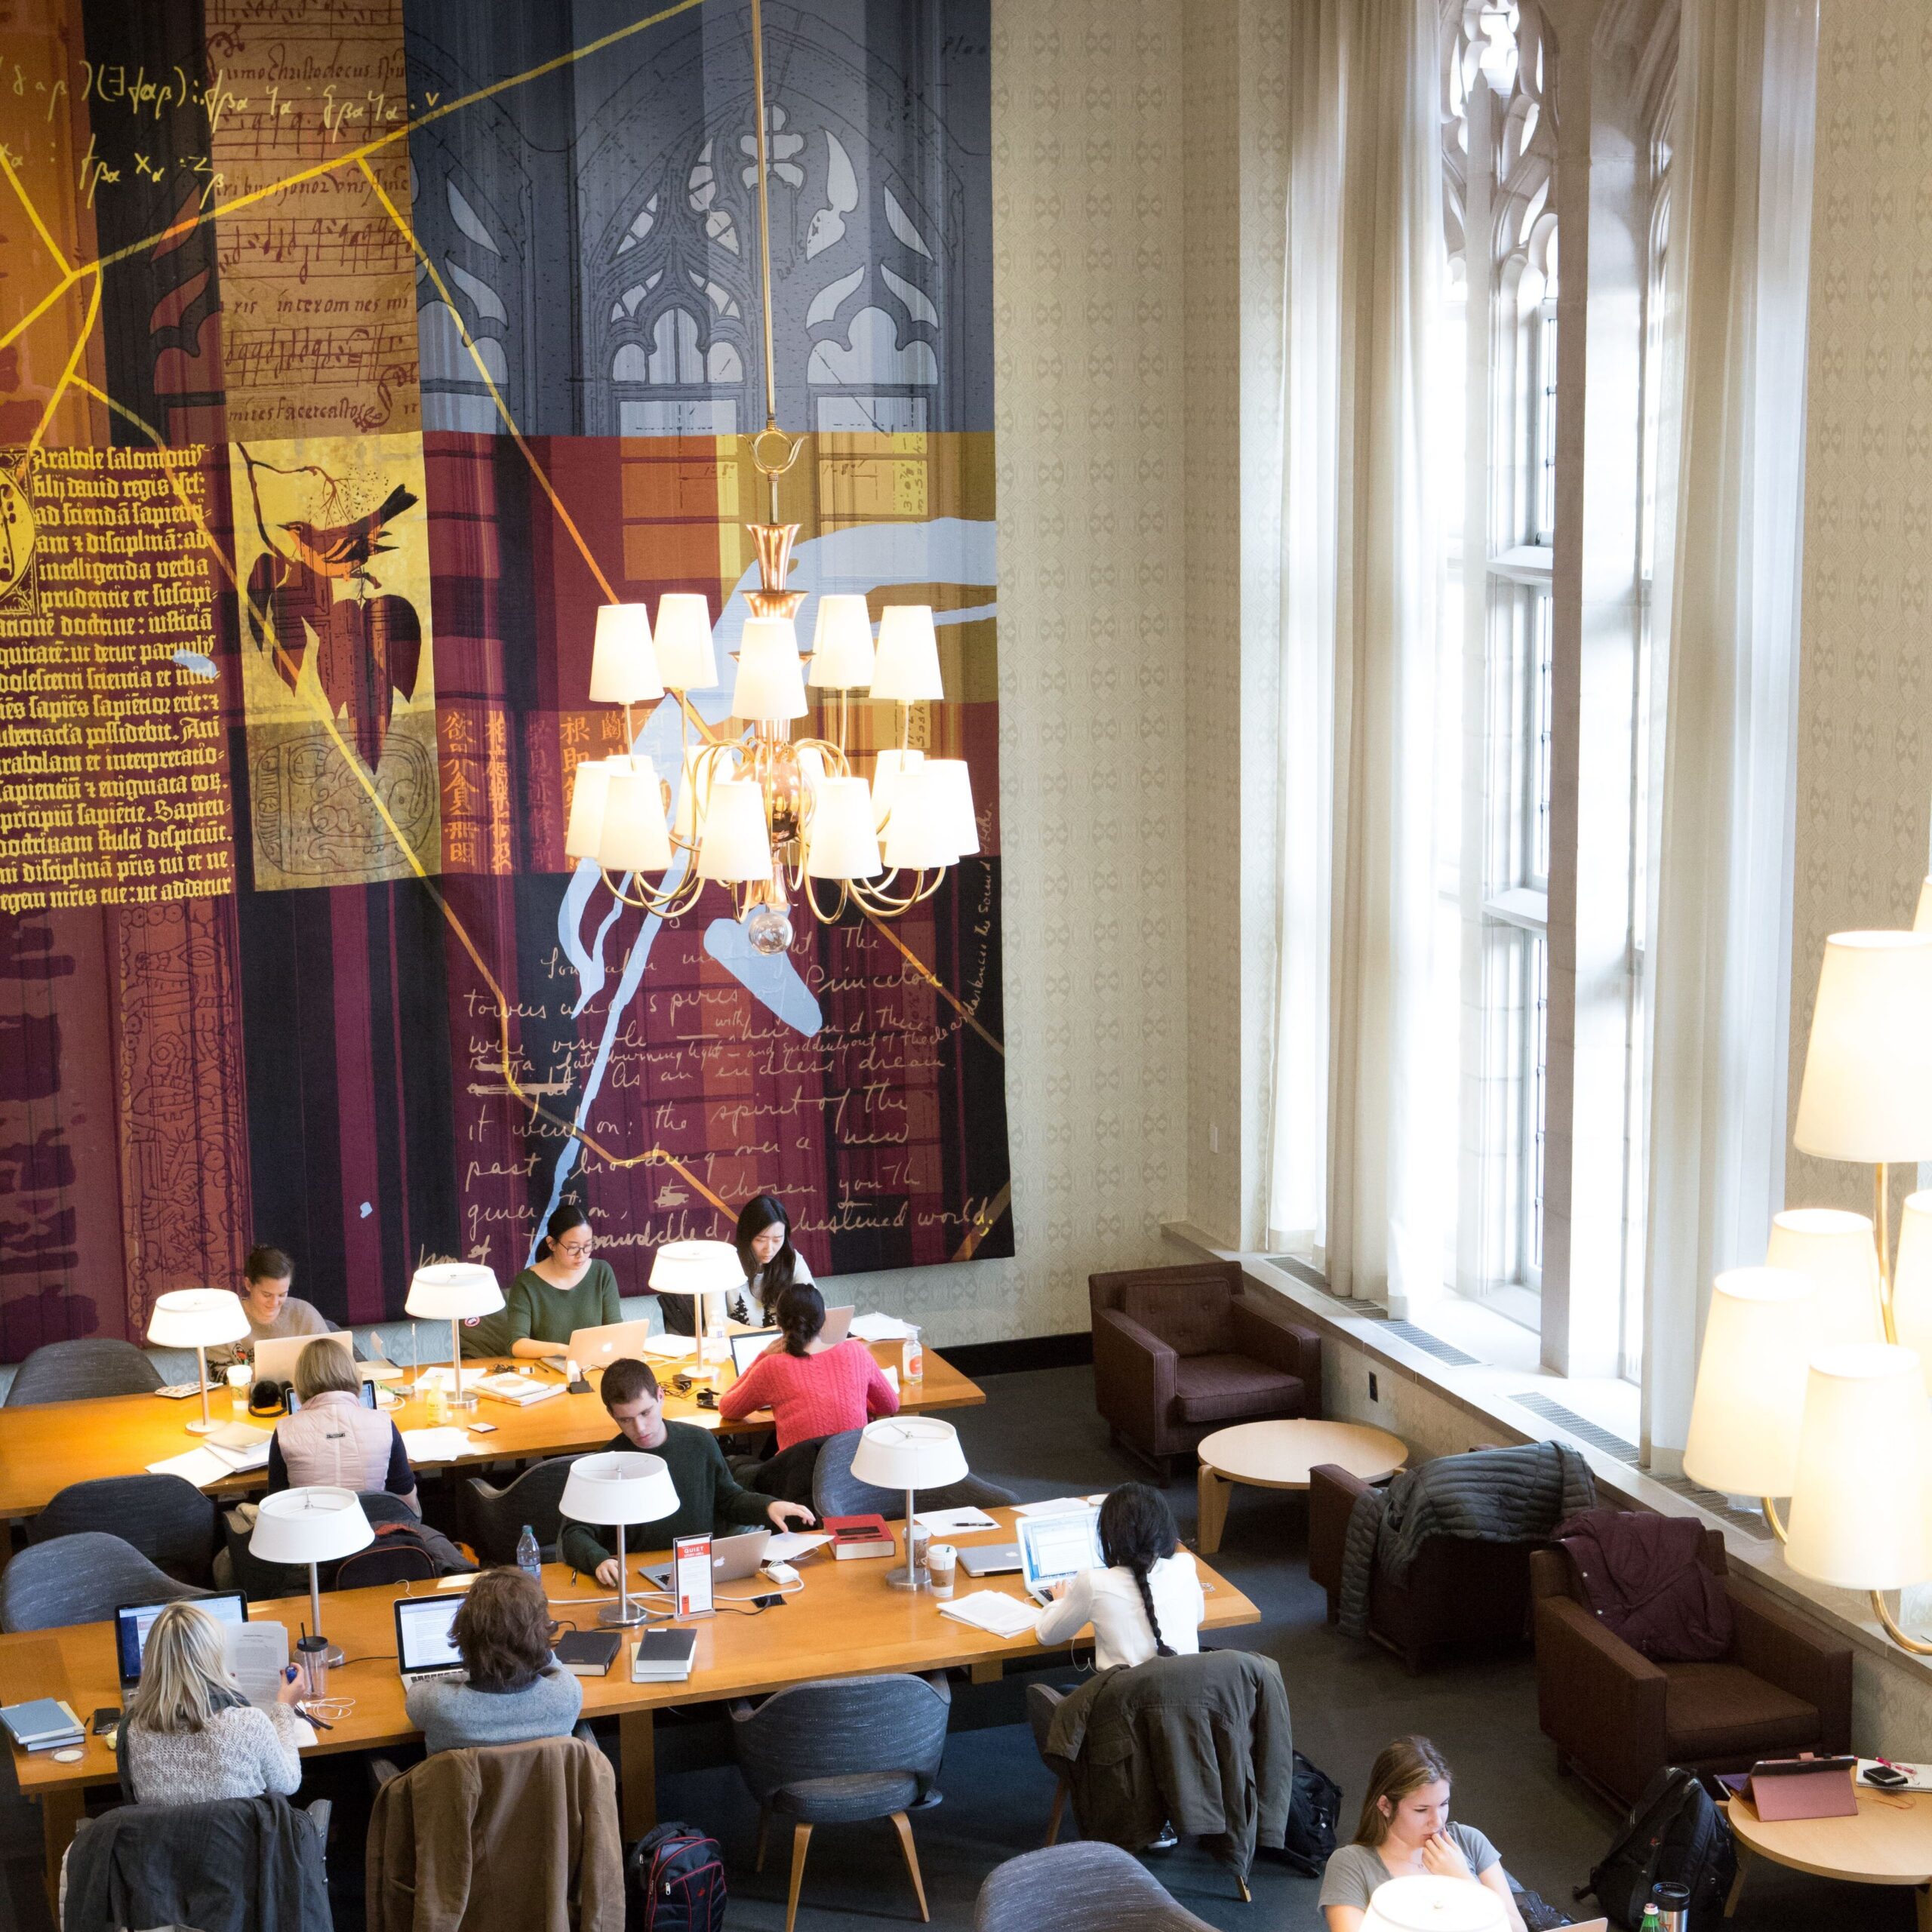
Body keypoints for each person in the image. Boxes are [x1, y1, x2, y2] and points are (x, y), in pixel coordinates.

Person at [558, 1357, 818, 1586]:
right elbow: (575, 1533)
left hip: (698, 1567)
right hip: (634, 1576)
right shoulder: (607, 1462)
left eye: (646, 1413)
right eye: (625, 1420)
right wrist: (598, 1560)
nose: (640, 1428)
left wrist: (768, 1506)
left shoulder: (699, 1442)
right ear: (611, 1414)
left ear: (660, 1396)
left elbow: (728, 1499)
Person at [1319, 1736, 1526, 1932]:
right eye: (1421, 1810)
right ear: (1385, 1806)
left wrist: (1465, 1882)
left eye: (1444, 1804)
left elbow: (1518, 1929)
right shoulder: (1351, 1865)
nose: (1437, 1821)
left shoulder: (1469, 1841)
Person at [119, 1600, 312, 1804]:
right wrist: (285, 1707)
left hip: (164, 1837)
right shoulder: (249, 1724)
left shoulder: (133, 1729)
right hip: (242, 1836)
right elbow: (289, 1783)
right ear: (215, 1656)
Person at [404, 1567, 583, 1753]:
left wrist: (467, 1672)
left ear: (464, 1634)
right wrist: (538, 1644)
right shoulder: (567, 1694)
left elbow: (415, 1693)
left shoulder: (437, 1704)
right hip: (547, 1783)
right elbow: (551, 1662)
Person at [1034, 1482, 1205, 1669]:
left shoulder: (1093, 1583)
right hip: (1191, 1694)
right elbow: (1198, 1618)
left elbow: (1047, 1636)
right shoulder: (1184, 1565)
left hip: (1123, 1697)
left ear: (1109, 1534)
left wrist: (1058, 1601)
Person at [715, 1282, 898, 1451]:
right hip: (852, 1476)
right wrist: (855, 1398)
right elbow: (890, 1405)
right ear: (824, 1319)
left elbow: (728, 1408)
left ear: (779, 1324)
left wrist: (762, 1357)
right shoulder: (856, 1351)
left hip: (800, 1480)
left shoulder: (772, 1367)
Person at [268, 1338, 420, 1514]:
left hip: (310, 1537)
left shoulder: (284, 1432)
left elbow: (275, 1507)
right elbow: (406, 1500)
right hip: (377, 1534)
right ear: (354, 1374)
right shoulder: (384, 1424)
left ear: (300, 1382)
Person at [464, 1206, 621, 1359]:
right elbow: (516, 1344)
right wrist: (563, 1349)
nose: (582, 1255)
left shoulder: (602, 1272)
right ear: (552, 1244)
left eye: (588, 1246)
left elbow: (615, 1329)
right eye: (573, 1248)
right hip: (548, 1369)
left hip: (594, 1364)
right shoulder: (526, 1282)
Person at [659, 1195, 814, 1334]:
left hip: (783, 1347)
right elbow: (716, 1323)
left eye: (777, 1239)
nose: (769, 1248)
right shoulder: (723, 1262)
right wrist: (769, 1333)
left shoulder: (792, 1260)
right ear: (746, 1236)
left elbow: (814, 1309)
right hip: (736, 1347)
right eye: (761, 1240)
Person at [209, 1245, 331, 1367]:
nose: (274, 1303)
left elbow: (332, 1362)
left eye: (282, 1295)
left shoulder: (304, 1314)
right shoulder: (225, 1320)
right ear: (248, 1284)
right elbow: (217, 1373)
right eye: (267, 1295)